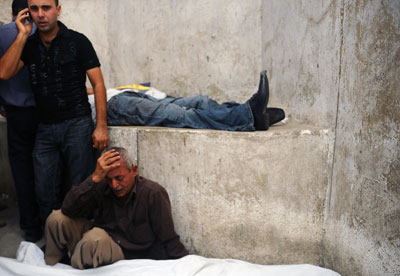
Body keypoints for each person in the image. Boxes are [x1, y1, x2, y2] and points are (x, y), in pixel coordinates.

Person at [0, 0, 109, 226]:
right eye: (35, 9)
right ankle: (55, 241)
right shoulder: (29, 46)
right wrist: (21, 35)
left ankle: (80, 239)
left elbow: (98, 84)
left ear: (58, 10)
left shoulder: (78, 41)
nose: (40, 14)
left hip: (77, 124)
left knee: (80, 185)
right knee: (44, 189)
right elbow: (4, 72)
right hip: (45, 128)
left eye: (46, 8)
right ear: (27, 12)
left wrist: (100, 126)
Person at [44, 147, 188, 269]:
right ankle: (51, 268)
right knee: (56, 219)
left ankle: (75, 270)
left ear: (134, 170)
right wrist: (94, 178)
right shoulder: (102, 185)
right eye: (109, 179)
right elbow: (68, 208)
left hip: (125, 252)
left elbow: (169, 238)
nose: (114, 185)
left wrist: (187, 265)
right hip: (100, 236)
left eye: (119, 178)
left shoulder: (153, 193)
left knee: (93, 241)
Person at [91, 70, 285, 131]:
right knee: (178, 115)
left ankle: (251, 113)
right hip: (111, 107)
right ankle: (250, 116)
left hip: (118, 95)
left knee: (200, 101)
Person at [0, 0, 41, 241]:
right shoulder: (44, 32)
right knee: (48, 170)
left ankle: (31, 228)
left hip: (16, 114)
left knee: (22, 173)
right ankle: (51, 224)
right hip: (45, 113)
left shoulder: (2, 35)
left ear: (12, 12)